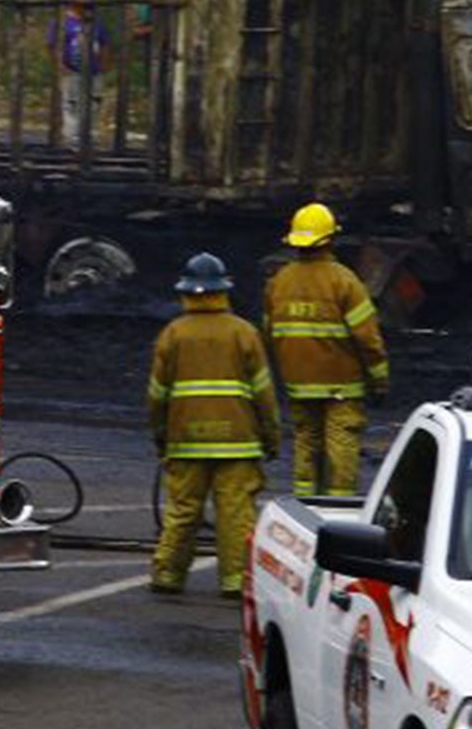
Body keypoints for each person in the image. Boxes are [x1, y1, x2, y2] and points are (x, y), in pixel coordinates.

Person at [147, 252, 279, 598]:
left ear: (186, 292)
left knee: (183, 511)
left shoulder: (172, 335)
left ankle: (168, 576)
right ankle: (236, 581)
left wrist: (161, 435)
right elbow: (264, 394)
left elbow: (157, 395)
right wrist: (271, 436)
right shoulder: (244, 333)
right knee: (236, 514)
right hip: (238, 442)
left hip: (186, 441)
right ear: (224, 291)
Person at [264, 201, 390, 498]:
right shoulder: (344, 281)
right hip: (342, 386)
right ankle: (338, 509)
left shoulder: (279, 282)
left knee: (305, 442)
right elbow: (368, 339)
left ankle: (305, 504)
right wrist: (380, 381)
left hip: (298, 384)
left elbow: (270, 333)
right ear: (330, 239)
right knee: (341, 445)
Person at [49, 0, 108, 145]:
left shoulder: (96, 22)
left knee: (93, 104)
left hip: (93, 71)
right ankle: (72, 141)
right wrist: (59, 65)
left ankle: (89, 138)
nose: (85, 2)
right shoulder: (62, 21)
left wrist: (103, 66)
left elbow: (104, 44)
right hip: (71, 70)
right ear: (73, 0)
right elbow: (52, 45)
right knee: (71, 104)